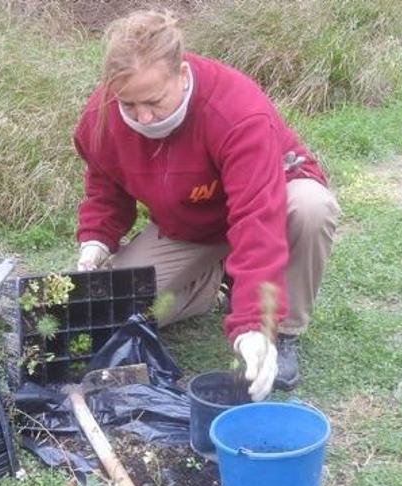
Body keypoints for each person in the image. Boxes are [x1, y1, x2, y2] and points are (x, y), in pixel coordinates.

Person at [72, 10, 341, 401]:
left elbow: (257, 222)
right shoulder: (100, 117)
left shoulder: (237, 111)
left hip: (270, 203)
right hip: (191, 225)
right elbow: (105, 183)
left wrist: (255, 325)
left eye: (153, 101)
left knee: (311, 207)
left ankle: (282, 333)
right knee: (118, 312)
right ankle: (212, 286)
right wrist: (97, 237)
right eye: (129, 105)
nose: (143, 117)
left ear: (181, 75)